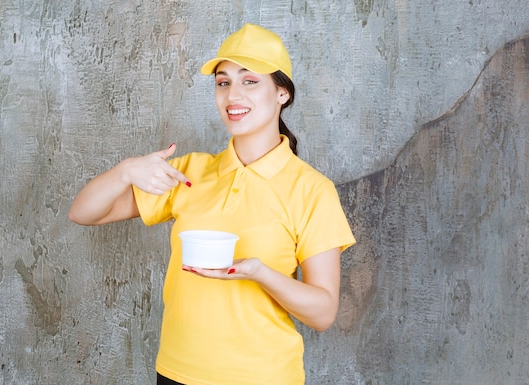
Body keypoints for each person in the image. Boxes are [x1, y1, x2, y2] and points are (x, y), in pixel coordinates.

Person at [69, 23, 356, 385]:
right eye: (223, 82)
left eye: (249, 81)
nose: (233, 95)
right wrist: (125, 171)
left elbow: (323, 312)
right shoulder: (191, 171)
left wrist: (260, 273)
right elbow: (82, 212)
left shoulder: (313, 190)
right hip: (176, 371)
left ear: (282, 93)